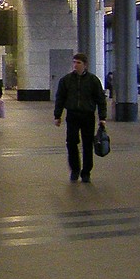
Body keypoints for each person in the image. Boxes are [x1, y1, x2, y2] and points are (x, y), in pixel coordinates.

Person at [54, 52, 107, 182]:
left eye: (78, 63)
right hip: (72, 115)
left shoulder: (93, 80)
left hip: (87, 115)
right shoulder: (66, 80)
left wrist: (102, 117)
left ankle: (86, 172)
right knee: (71, 142)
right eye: (74, 62)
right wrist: (57, 115)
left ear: (85, 65)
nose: (75, 65)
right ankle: (75, 169)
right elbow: (60, 98)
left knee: (87, 144)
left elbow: (100, 99)